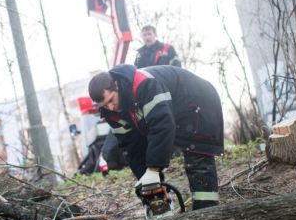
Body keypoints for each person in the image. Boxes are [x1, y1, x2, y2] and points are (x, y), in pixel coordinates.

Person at [88, 64, 224, 211]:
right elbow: (131, 147)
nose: (111, 107)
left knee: (197, 157)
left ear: (116, 85)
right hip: (176, 106)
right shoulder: (111, 112)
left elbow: (162, 125)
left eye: (111, 100)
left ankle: (207, 211)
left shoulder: (142, 83)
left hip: (198, 97)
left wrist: (153, 170)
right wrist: (148, 180)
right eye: (104, 105)